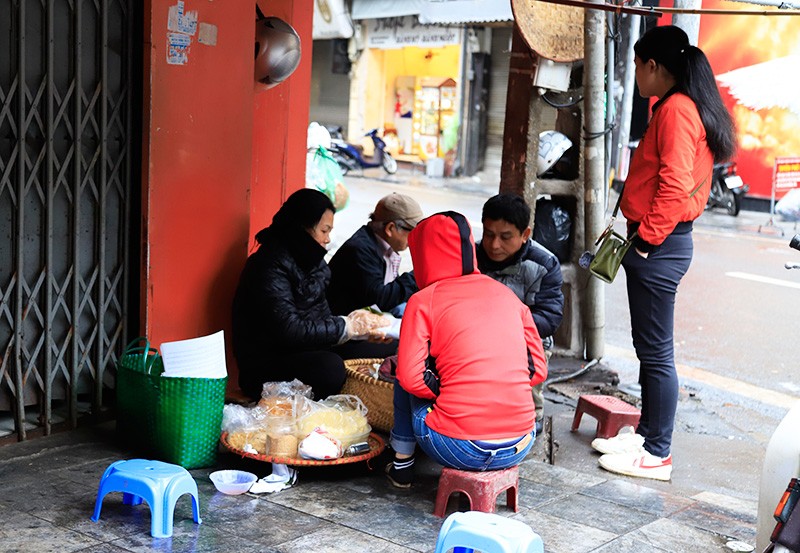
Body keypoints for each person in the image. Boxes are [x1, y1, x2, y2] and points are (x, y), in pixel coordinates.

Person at [592, 26, 736, 482]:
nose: (635, 74)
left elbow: (673, 185)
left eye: (637, 65)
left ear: (653, 66)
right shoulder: (679, 106)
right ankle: (645, 433)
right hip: (662, 243)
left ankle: (657, 452)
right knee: (648, 348)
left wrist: (648, 241)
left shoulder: (677, 110)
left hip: (661, 245)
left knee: (656, 354)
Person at [385, 212, 548, 488]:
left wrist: (449, 390)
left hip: (459, 447)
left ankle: (402, 465)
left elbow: (412, 378)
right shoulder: (507, 296)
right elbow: (537, 370)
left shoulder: (423, 300)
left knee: (403, 373)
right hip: (520, 443)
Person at [231, 189, 390, 401]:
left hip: (308, 348)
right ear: (302, 228)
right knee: (330, 368)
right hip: (267, 364)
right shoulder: (268, 265)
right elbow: (290, 330)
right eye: (324, 231)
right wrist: (345, 327)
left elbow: (321, 318)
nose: (328, 239)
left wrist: (359, 329)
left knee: (384, 347)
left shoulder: (311, 261)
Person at [476, 194, 564, 436]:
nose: (494, 245)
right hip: (475, 337)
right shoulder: (470, 255)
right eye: (489, 234)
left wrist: (503, 326)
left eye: (505, 237)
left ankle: (531, 417)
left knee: (523, 391)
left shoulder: (544, 263)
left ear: (525, 234)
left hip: (525, 339)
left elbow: (549, 318)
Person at [327, 193, 423, 318]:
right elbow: (380, 300)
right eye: (413, 232)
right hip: (346, 323)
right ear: (390, 228)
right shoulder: (360, 250)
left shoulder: (382, 246)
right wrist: (418, 274)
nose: (415, 239)